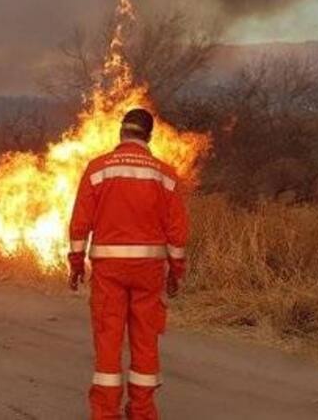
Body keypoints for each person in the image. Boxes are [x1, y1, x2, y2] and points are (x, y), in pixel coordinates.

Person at [67, 108, 189, 420]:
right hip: (149, 273)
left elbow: (80, 222)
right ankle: (142, 412)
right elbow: (176, 232)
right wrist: (176, 272)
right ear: (149, 136)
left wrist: (76, 263)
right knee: (145, 342)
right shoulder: (165, 174)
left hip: (109, 272)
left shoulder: (98, 169)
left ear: (121, 133)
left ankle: (106, 413)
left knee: (108, 341)